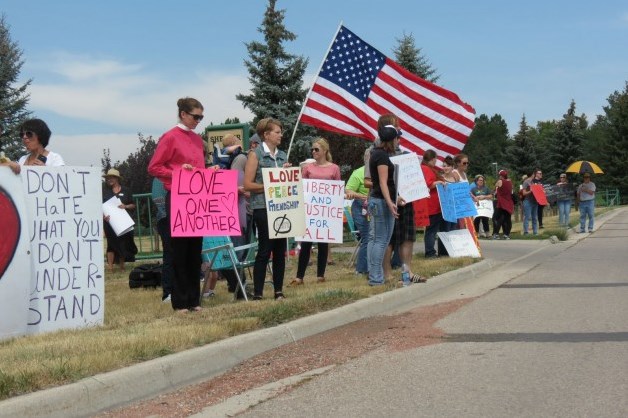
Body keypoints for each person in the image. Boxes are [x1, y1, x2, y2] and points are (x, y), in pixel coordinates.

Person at [148, 97, 206, 313]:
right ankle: (180, 300)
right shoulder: (170, 136)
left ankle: (194, 298)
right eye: (195, 116)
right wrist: (178, 173)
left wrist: (210, 173)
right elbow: (154, 167)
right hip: (178, 196)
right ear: (183, 114)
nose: (198, 120)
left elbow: (199, 169)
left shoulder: (198, 140)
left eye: (201, 117)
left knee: (195, 249)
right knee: (179, 249)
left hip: (198, 197)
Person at [244, 117, 290, 300]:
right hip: (262, 207)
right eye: (277, 132)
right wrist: (270, 185)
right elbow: (247, 184)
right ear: (266, 134)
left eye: (281, 132)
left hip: (281, 206)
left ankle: (278, 290)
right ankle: (258, 292)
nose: (280, 135)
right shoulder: (255, 155)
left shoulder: (282, 155)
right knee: (265, 249)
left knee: (280, 250)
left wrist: (288, 173)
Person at [291, 138, 341, 285]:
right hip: (310, 210)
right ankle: (300, 276)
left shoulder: (334, 168)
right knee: (306, 242)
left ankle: (321, 275)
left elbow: (337, 189)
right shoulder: (308, 168)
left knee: (323, 242)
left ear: (325, 151)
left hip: (325, 210)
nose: (313, 152)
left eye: (316, 149)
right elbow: (302, 186)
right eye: (312, 149)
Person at [366, 123, 400, 286]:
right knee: (381, 240)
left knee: (377, 240)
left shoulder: (377, 154)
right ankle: (375, 278)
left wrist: (396, 198)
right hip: (380, 202)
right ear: (392, 140)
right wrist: (390, 202)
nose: (398, 141)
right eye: (397, 138)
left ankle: (374, 276)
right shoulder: (382, 156)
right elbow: (382, 182)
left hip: (379, 200)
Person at [102, 168, 138, 272]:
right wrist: (103, 217)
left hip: (123, 223)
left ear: (117, 178)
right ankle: (110, 267)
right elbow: (100, 207)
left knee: (122, 244)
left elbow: (133, 205)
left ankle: (122, 266)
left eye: (111, 177)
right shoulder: (104, 192)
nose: (109, 179)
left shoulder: (126, 190)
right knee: (110, 244)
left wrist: (125, 206)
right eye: (108, 178)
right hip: (109, 223)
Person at [345, 148, 371, 276]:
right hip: (361, 208)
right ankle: (361, 269)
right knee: (367, 237)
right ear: (366, 159)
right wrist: (362, 197)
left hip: (375, 207)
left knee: (375, 238)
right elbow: (348, 191)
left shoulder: (379, 171)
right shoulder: (358, 173)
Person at [421, 149, 448, 258]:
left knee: (432, 229)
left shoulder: (425, 168)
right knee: (431, 230)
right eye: (435, 159)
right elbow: (428, 184)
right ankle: (430, 252)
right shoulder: (426, 169)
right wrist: (439, 182)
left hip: (433, 203)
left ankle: (431, 251)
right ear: (432, 159)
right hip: (432, 203)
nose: (436, 161)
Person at [151, 178, 173, 302]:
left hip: (180, 218)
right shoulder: (159, 178)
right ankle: (168, 292)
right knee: (170, 255)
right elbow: (159, 201)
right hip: (166, 219)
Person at [492, 169, 514, 239]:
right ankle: (506, 234)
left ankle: (496, 234)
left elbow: (495, 186)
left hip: (501, 203)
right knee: (508, 219)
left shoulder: (500, 181)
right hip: (509, 203)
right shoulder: (510, 182)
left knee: (496, 218)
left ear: (501, 176)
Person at [521, 168, 542, 235]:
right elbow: (523, 193)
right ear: (532, 174)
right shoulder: (526, 182)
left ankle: (535, 232)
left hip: (535, 201)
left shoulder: (534, 181)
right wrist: (531, 191)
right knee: (527, 217)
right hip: (528, 201)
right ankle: (526, 232)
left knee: (534, 217)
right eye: (534, 174)